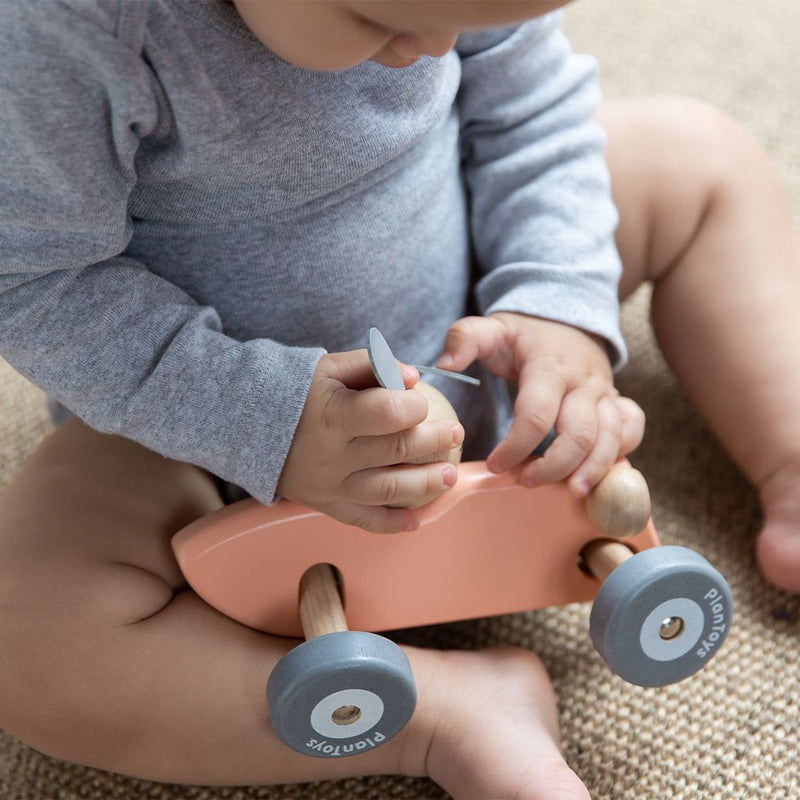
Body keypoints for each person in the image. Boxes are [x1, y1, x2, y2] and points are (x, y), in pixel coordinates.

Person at [1, 1, 799, 798]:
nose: (438, 50)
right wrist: (264, 419)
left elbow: (533, 114)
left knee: (700, 155)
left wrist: (559, 306)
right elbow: (35, 280)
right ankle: (444, 715)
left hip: (479, 318)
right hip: (203, 442)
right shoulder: (69, 28)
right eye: (375, 19)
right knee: (31, 643)